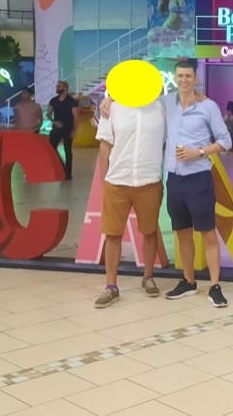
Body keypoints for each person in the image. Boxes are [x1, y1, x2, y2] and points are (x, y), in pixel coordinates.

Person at [162, 61, 232, 308]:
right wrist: (109, 100)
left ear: (195, 78)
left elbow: (225, 141)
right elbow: (137, 102)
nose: (183, 80)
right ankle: (188, 280)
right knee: (182, 232)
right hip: (174, 178)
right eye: (180, 75)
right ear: (175, 77)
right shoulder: (166, 103)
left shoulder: (208, 107)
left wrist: (199, 152)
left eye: (188, 76)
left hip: (199, 178)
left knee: (208, 233)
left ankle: (214, 285)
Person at [93, 98, 166, 308]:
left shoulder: (160, 107)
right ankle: (111, 286)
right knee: (113, 233)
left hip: (149, 179)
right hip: (117, 180)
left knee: (149, 230)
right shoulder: (112, 108)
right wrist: (104, 179)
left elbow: (167, 139)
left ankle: (148, 276)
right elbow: (105, 145)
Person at [47, 81, 79, 180]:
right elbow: (48, 114)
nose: (57, 87)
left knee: (67, 151)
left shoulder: (72, 101)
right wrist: (54, 121)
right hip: (57, 128)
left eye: (59, 86)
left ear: (65, 88)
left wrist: (74, 130)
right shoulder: (53, 100)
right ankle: (59, 167)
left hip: (68, 129)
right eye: (57, 86)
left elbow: (76, 117)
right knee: (51, 148)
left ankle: (68, 173)